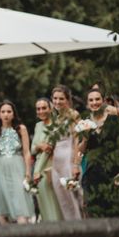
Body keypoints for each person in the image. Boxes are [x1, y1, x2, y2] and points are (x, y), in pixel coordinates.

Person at [80, 88, 119, 217]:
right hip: (93, 171)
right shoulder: (85, 122)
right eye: (91, 100)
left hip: (112, 170)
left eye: (97, 99)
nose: (94, 102)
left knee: (114, 209)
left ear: (103, 101)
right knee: (94, 210)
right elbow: (81, 151)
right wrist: (85, 137)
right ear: (87, 103)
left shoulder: (113, 120)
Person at [0, 100, 35, 224]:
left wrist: (28, 172)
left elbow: (26, 152)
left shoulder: (21, 129)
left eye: (9, 111)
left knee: (20, 202)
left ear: (13, 114)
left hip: (17, 167)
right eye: (3, 112)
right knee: (1, 204)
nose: (6, 114)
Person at [50, 85, 83, 220]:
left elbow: (77, 140)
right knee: (62, 200)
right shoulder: (54, 118)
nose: (57, 102)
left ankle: (84, 233)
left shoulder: (73, 115)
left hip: (68, 160)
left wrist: (75, 164)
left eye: (61, 99)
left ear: (68, 100)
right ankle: (72, 235)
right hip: (55, 163)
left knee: (75, 199)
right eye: (55, 98)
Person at [30, 97, 63, 222]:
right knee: (42, 202)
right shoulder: (38, 126)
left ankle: (58, 231)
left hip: (49, 166)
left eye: (44, 108)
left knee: (52, 202)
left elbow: (47, 152)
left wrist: (37, 171)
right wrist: (39, 145)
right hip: (38, 165)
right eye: (38, 109)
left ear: (50, 109)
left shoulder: (55, 125)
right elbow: (32, 149)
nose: (41, 111)